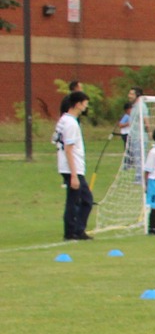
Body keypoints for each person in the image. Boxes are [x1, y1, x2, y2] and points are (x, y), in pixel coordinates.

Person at [54, 90, 92, 240]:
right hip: (72, 167)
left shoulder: (63, 120)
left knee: (78, 199)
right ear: (78, 104)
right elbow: (69, 149)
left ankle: (75, 230)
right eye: (85, 104)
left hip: (68, 166)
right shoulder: (70, 123)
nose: (85, 107)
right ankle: (74, 231)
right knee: (84, 200)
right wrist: (74, 175)